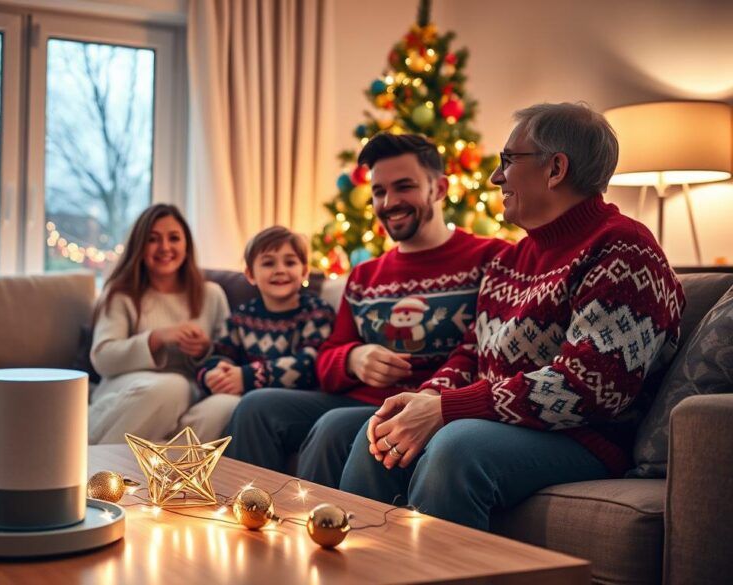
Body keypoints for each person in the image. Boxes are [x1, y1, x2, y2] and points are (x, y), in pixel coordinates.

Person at [340, 103, 686, 531]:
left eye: (507, 160)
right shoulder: (510, 260)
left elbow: (592, 386)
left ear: (555, 168)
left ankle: (437, 568)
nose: (495, 177)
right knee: (378, 434)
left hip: (585, 438)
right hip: (503, 424)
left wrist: (448, 409)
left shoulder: (623, 249)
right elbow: (471, 353)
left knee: (456, 448)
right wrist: (426, 399)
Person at [225, 134, 511, 485]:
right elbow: (327, 360)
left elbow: (485, 351)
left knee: (334, 427)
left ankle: (318, 519)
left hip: (430, 406)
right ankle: (248, 510)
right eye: (378, 191)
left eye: (404, 187)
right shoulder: (364, 275)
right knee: (256, 406)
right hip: (361, 399)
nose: (389, 202)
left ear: (438, 188)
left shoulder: (491, 258)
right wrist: (353, 358)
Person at [88, 204, 231, 444]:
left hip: (191, 391)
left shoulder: (212, 294)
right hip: (128, 387)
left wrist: (205, 350)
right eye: (153, 239)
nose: (165, 247)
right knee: (174, 387)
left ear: (186, 245)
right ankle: (102, 462)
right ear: (139, 246)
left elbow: (230, 355)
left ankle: (168, 465)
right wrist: (157, 338)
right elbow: (103, 358)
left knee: (228, 404)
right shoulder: (121, 294)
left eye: (174, 238)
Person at [196, 226, 336, 402]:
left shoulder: (317, 312)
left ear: (304, 272)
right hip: (244, 399)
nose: (280, 270)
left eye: (290, 263)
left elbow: (310, 364)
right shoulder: (241, 316)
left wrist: (248, 377)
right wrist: (213, 375)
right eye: (268, 263)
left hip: (295, 402)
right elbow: (219, 354)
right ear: (250, 274)